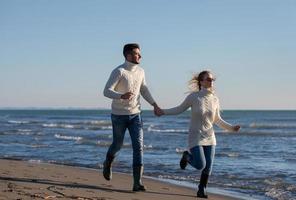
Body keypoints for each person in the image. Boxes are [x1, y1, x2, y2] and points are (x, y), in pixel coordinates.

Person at [159, 70, 240, 198]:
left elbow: (217, 119)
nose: (211, 81)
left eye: (212, 79)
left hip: (210, 137)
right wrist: (162, 111)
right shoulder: (194, 97)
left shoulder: (215, 99)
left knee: (208, 167)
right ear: (201, 81)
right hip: (196, 135)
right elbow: (179, 109)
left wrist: (232, 128)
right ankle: (186, 156)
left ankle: (201, 190)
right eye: (208, 79)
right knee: (200, 165)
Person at [102, 43, 162, 192]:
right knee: (118, 145)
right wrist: (121, 95)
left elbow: (144, 89)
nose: (140, 56)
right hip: (119, 116)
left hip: (136, 114)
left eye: (139, 53)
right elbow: (106, 91)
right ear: (128, 55)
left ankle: (137, 183)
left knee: (139, 147)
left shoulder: (141, 71)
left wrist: (154, 104)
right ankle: (108, 162)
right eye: (137, 53)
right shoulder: (119, 71)